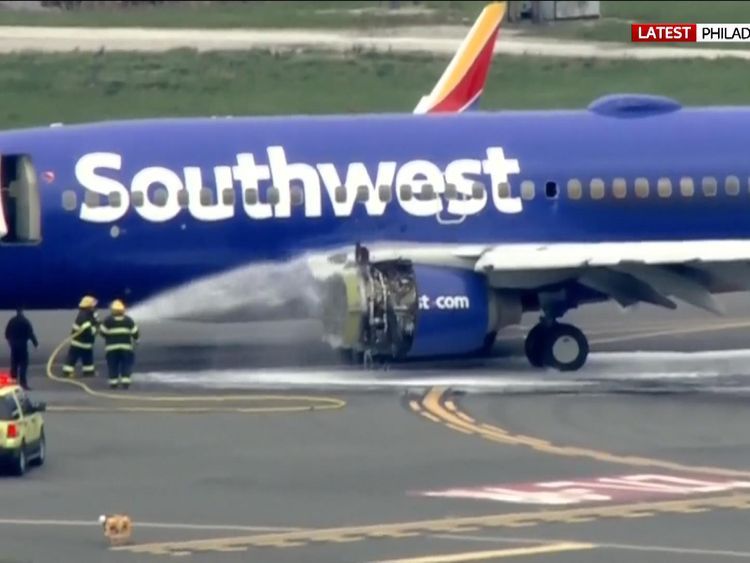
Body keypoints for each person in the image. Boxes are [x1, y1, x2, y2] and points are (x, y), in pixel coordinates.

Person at [99, 300, 139, 390]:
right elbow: (135, 333)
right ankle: (125, 382)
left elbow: (102, 333)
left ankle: (113, 383)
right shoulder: (128, 320)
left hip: (111, 348)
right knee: (126, 364)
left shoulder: (108, 320)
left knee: (113, 365)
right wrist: (136, 340)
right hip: (126, 348)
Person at [62, 295, 99, 378]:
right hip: (79, 342)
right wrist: (96, 330)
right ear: (89, 306)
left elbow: (94, 323)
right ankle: (67, 372)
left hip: (86, 342)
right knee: (72, 358)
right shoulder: (83, 316)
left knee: (88, 359)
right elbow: (87, 330)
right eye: (93, 306)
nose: (95, 307)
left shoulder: (89, 314)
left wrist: (98, 323)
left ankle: (88, 372)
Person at [4, 308, 38, 390]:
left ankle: (12, 382)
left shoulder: (12, 321)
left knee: (14, 364)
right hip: (22, 345)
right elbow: (30, 333)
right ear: (22, 312)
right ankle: (23, 384)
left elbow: (6, 333)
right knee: (23, 364)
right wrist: (35, 343)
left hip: (13, 345)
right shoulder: (25, 321)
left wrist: (10, 342)